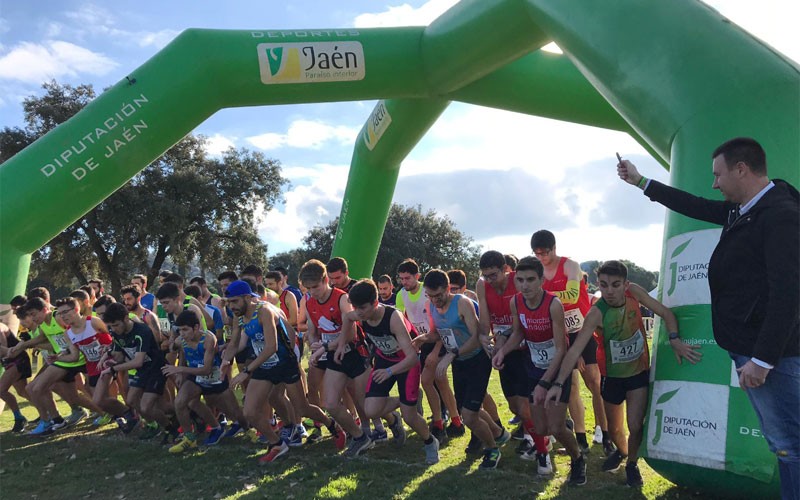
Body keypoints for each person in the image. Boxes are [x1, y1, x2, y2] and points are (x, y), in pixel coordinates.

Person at [617, 137, 799, 497]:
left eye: (718, 175)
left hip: (771, 356)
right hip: (751, 348)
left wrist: (762, 360)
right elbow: (695, 205)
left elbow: (789, 294)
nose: (714, 184)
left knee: (791, 444)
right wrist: (641, 182)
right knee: (784, 443)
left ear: (741, 169)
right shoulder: (745, 207)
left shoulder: (780, 216)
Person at [545, 260, 700, 487]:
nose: (609, 291)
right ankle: (623, 452)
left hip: (637, 374)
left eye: (615, 285)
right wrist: (558, 383)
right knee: (616, 430)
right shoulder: (597, 312)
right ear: (598, 284)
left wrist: (674, 339)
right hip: (612, 377)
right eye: (604, 285)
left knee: (636, 425)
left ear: (625, 284)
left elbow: (666, 313)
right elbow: (575, 349)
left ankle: (632, 465)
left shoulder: (634, 293)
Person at [492, 256, 586, 484]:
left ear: (541, 280)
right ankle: (560, 431)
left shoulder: (553, 304)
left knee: (554, 426)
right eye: (521, 280)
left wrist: (546, 382)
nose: (525, 285)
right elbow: (518, 333)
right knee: (542, 428)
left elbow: (561, 348)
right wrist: (502, 352)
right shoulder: (516, 302)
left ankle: (578, 459)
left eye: (531, 280)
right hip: (533, 367)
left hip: (557, 369)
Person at [417, 269, 510, 469]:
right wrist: (421, 339)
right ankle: (499, 433)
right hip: (459, 361)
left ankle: (492, 449)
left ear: (447, 288)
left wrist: (452, 354)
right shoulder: (432, 306)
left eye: (439, 295)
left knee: (468, 415)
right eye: (430, 296)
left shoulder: (462, 303)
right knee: (467, 409)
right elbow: (437, 333)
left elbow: (477, 337)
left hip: (477, 359)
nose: (435, 300)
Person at [531, 229, 611, 455]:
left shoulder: (570, 266)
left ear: (554, 248)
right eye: (537, 254)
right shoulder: (538, 271)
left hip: (583, 331)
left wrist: (545, 293)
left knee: (595, 383)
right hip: (560, 334)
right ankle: (581, 437)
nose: (541, 258)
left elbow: (572, 295)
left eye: (544, 253)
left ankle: (605, 433)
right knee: (572, 386)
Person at [344, 279, 440, 464]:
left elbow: (412, 357)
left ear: (375, 302)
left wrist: (389, 371)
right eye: (355, 307)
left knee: (410, 416)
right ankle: (397, 414)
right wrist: (341, 344)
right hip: (385, 360)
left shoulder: (393, 317)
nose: (358, 312)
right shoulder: (358, 314)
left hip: (407, 363)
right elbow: (347, 318)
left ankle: (430, 441)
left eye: (362, 308)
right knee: (370, 409)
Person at [300, 259, 374, 458]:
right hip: (333, 355)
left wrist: (323, 347)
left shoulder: (342, 298)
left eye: (315, 286)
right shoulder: (309, 302)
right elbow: (313, 330)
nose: (312, 291)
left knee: (364, 402)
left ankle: (390, 421)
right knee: (330, 403)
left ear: (326, 280)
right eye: (308, 288)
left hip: (355, 353)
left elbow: (350, 334)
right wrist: (315, 343)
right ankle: (360, 437)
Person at [476, 251, 547, 458]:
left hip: (525, 347)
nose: (490, 280)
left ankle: (535, 442)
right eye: (486, 275)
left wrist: (503, 337)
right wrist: (483, 336)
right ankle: (538, 434)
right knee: (514, 406)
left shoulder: (518, 281)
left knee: (525, 406)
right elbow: (484, 315)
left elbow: (522, 321)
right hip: (503, 348)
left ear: (505, 270)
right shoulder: (482, 285)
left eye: (494, 275)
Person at [396, 259, 461, 443]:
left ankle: (440, 422)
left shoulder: (429, 292)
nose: (404, 282)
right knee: (439, 381)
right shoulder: (401, 295)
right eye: (401, 278)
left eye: (407, 278)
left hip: (438, 339)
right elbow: (403, 321)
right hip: (423, 341)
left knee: (429, 380)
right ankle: (454, 421)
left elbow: (441, 324)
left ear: (417, 276)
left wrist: (436, 351)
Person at [162, 310, 246, 452]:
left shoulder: (208, 339)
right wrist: (180, 370)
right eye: (179, 330)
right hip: (195, 376)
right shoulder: (181, 340)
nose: (182, 333)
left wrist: (180, 370)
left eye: (185, 329)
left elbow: (206, 370)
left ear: (196, 327)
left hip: (215, 377)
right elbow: (180, 351)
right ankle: (191, 437)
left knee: (235, 413)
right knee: (181, 401)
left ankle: (247, 428)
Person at [97, 303, 176, 441]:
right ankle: (155, 425)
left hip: (156, 368)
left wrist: (113, 369)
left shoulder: (142, 331)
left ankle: (173, 428)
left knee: (148, 407)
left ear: (126, 318)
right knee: (132, 400)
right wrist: (111, 359)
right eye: (110, 326)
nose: (113, 329)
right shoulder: (116, 332)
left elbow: (138, 361)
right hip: (142, 370)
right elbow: (119, 355)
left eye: (116, 325)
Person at [0, 320, 33, 432]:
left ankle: (19, 418)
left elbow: (4, 351)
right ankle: (48, 411)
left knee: (1, 390)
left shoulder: (0, 327)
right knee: (23, 391)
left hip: (18, 360)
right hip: (11, 362)